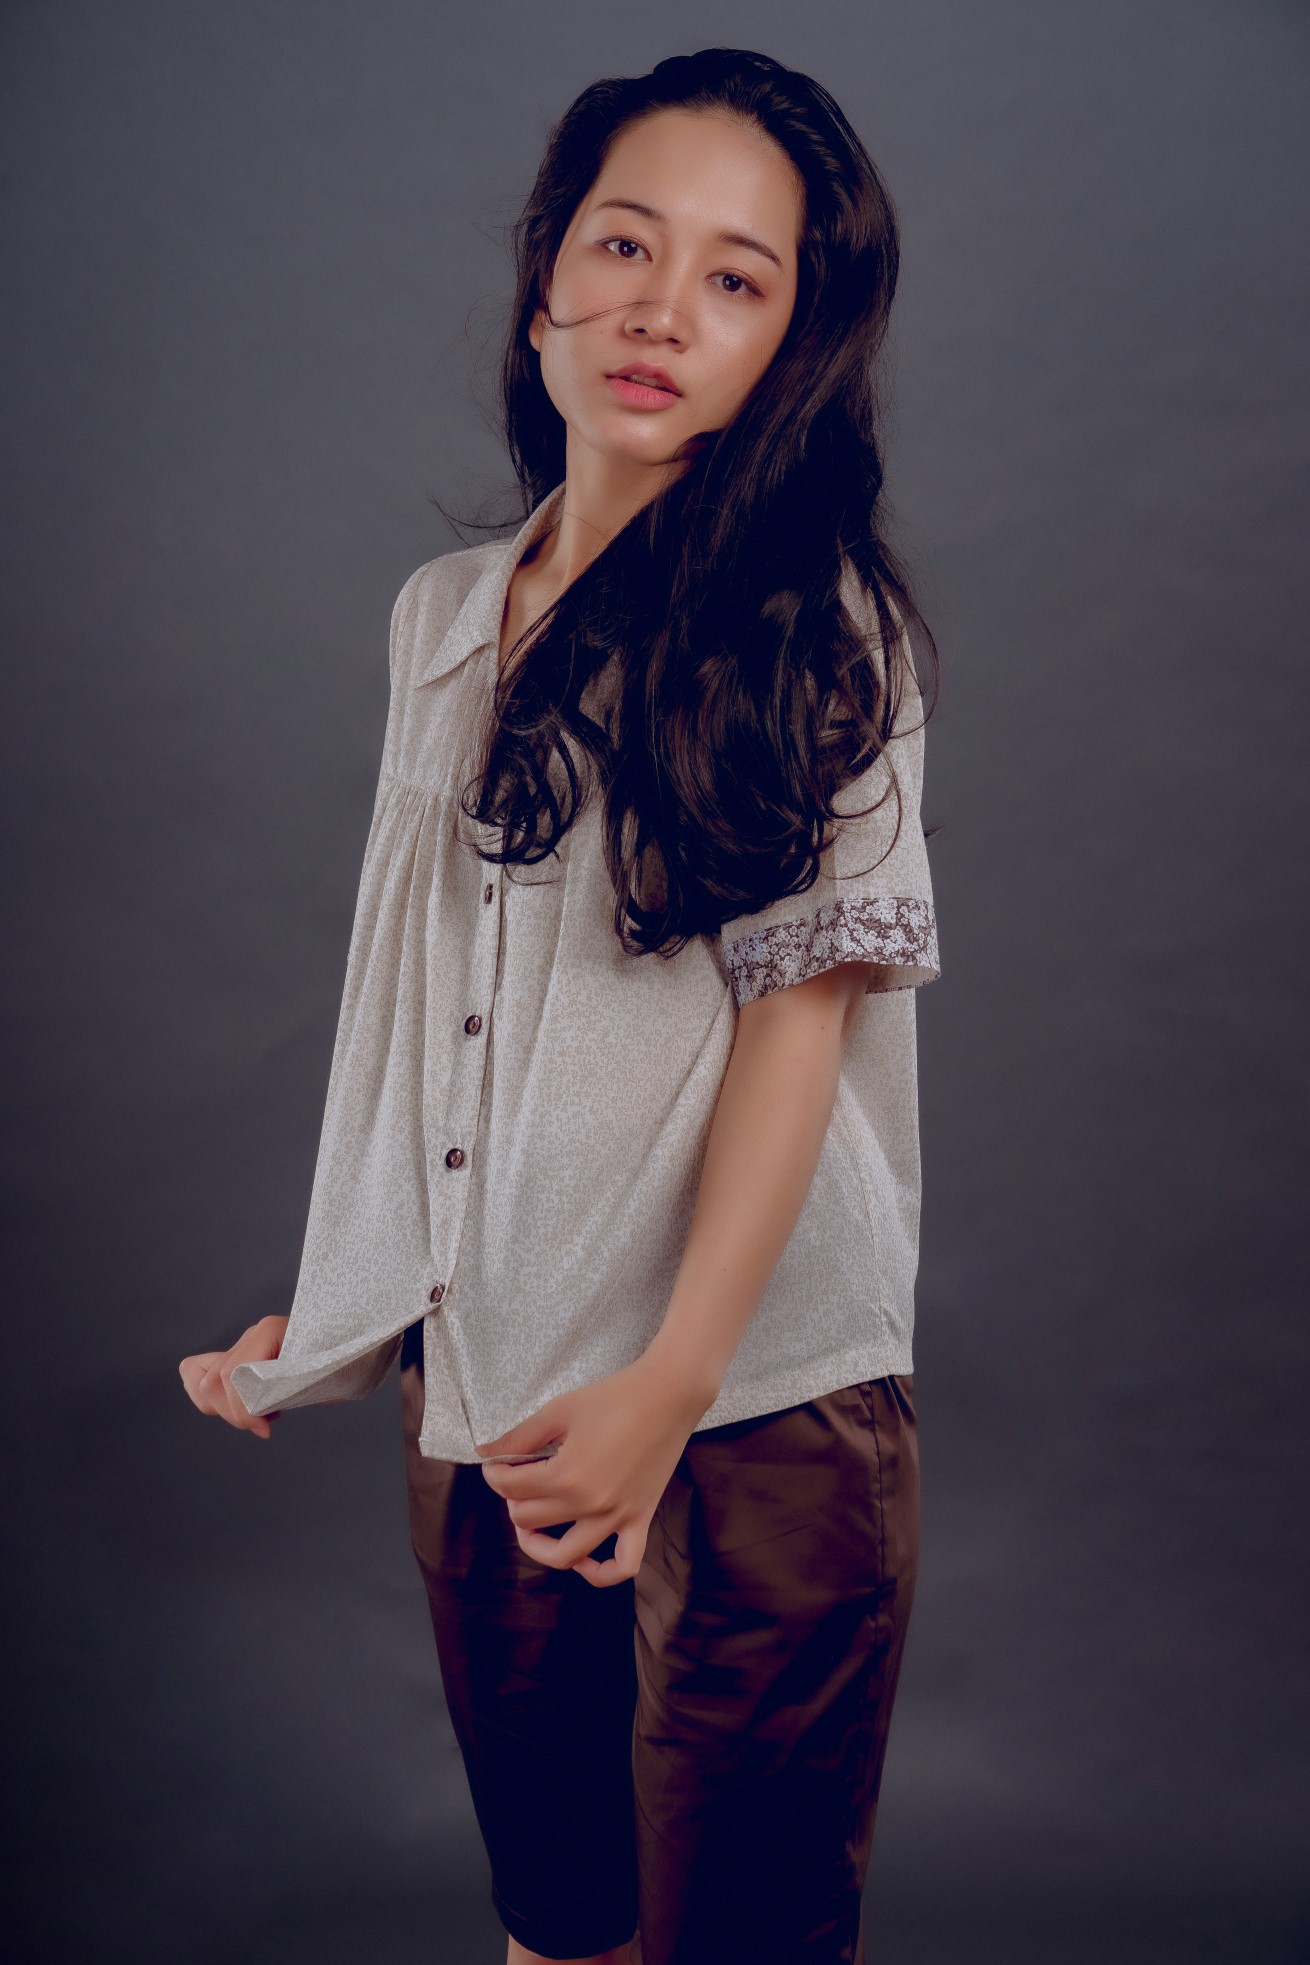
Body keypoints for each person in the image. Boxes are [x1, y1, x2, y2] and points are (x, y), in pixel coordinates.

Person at [179, 45, 942, 1965]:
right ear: (544, 285)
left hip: (746, 1396)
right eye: (624, 244)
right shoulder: (441, 615)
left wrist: (669, 1384)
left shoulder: (822, 626)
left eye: (736, 277)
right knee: (559, 1924)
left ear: (791, 345)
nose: (660, 309)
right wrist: (356, 1290)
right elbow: (417, 991)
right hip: (495, 1381)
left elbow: (799, 1027)